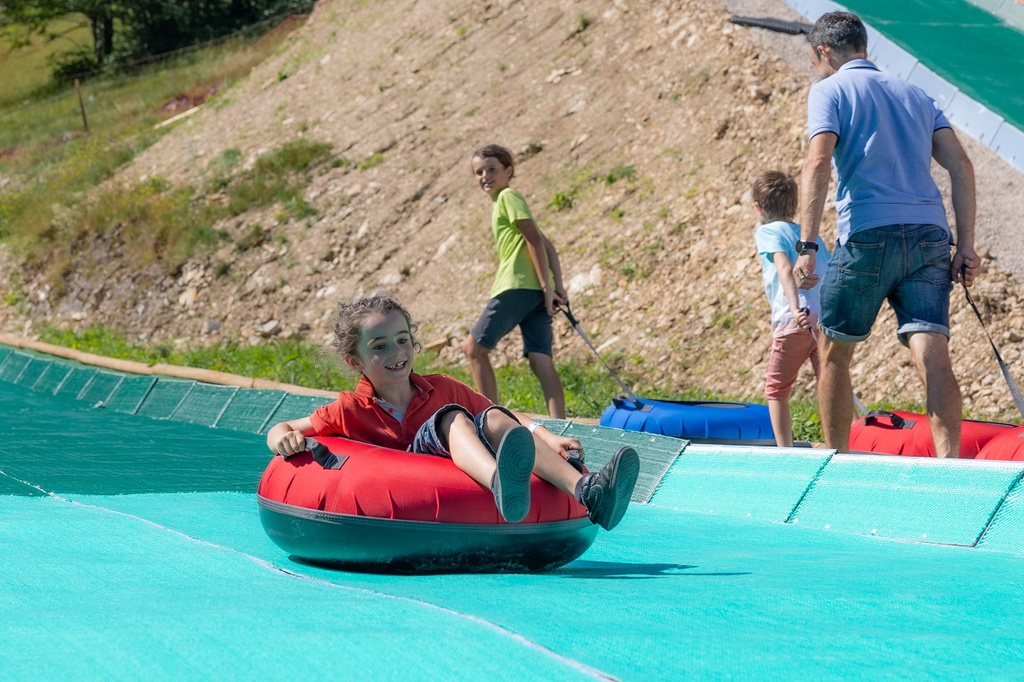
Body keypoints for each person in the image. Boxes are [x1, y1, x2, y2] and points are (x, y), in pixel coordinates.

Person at [267, 294, 640, 530]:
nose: (396, 353)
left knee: (493, 418)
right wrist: (284, 438)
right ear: (356, 361)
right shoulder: (349, 409)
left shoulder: (440, 385)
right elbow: (283, 427)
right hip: (421, 466)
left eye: (402, 341)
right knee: (451, 417)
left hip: (462, 449)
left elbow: (503, 413)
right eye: (380, 347)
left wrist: (548, 435)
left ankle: (590, 491)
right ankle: (500, 483)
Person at [793, 11, 980, 457]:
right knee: (933, 351)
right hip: (930, 237)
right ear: (864, 46)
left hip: (868, 233)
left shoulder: (829, 90)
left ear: (824, 52)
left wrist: (806, 245)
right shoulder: (916, 94)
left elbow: (818, 163)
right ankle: (950, 467)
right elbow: (961, 166)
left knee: (835, 352)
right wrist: (966, 244)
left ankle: (837, 462)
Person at [462, 144, 569, 418]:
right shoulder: (506, 201)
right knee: (539, 357)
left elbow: (534, 240)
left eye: (492, 169)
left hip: (517, 285)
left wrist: (549, 288)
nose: (485, 175)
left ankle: (489, 419)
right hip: (534, 291)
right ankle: (561, 425)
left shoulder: (508, 196)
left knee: (474, 349)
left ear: (509, 171)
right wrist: (557, 287)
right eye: (479, 172)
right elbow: (549, 246)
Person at [753, 170, 830, 447]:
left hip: (794, 319)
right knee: (829, 383)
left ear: (758, 208)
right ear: (794, 206)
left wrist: (796, 307)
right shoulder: (809, 235)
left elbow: (785, 268)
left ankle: (785, 452)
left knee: (776, 389)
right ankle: (838, 444)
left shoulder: (765, 231)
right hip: (824, 319)